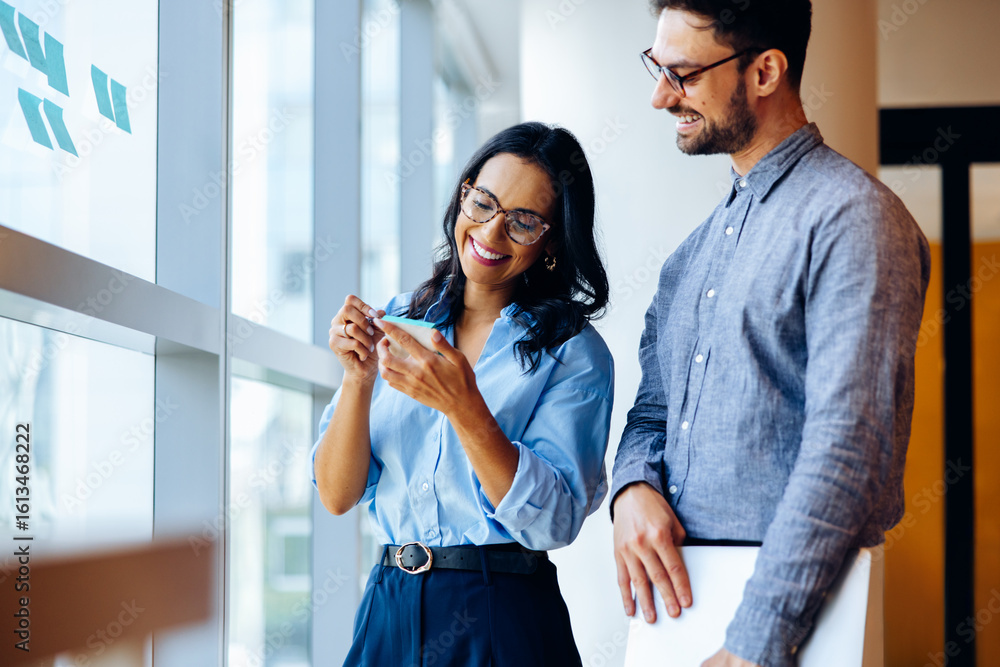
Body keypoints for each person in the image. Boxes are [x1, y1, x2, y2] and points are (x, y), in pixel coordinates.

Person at [610, 2, 931, 666]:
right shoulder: (689, 257)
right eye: (656, 67)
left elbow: (849, 450)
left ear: (765, 72)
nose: (659, 97)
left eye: (683, 73)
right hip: (677, 615)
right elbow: (653, 409)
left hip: (786, 631)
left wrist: (755, 642)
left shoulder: (855, 219)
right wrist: (632, 486)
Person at [312, 122, 614, 666]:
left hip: (500, 611)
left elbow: (554, 522)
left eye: (523, 221)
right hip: (388, 603)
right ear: (464, 193)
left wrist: (463, 406)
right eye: (484, 203)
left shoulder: (574, 353)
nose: (492, 233)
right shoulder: (402, 319)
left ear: (552, 240)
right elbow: (336, 495)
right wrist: (357, 378)